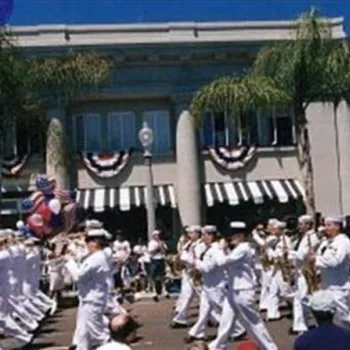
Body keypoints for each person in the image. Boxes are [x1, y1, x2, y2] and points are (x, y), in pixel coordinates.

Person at [209, 221, 277, 350]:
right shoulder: (237, 248)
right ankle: (217, 347)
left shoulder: (243, 248)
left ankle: (271, 348)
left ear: (240, 235)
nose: (229, 238)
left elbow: (222, 262)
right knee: (226, 321)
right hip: (233, 289)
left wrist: (218, 249)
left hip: (243, 290)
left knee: (254, 322)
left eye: (232, 236)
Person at [308, 216, 350, 329]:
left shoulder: (343, 242)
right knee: (332, 317)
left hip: (339, 286)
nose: (325, 228)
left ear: (337, 226)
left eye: (328, 225)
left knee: (343, 317)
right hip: (327, 285)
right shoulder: (326, 242)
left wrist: (316, 259)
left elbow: (336, 261)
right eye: (325, 225)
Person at [71, 229, 110, 350]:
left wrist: (68, 262)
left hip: (92, 300)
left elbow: (78, 275)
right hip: (88, 298)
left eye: (88, 241)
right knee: (83, 332)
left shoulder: (96, 258)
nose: (86, 244)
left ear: (95, 242)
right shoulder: (96, 257)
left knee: (98, 334)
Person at [148, 230, 168, 302]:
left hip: (161, 259)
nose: (158, 236)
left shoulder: (162, 242)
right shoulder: (151, 243)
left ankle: (164, 289)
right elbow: (150, 251)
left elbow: (165, 251)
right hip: (154, 260)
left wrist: (161, 246)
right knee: (153, 276)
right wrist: (157, 247)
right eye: (156, 235)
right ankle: (154, 291)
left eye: (159, 235)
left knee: (162, 275)